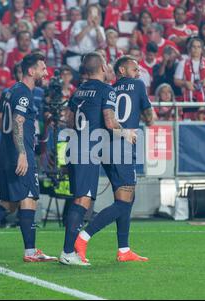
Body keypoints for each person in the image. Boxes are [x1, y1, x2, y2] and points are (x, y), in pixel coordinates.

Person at [0, 53, 57, 263]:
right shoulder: (24, 94)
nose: (46, 72)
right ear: (31, 71)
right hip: (19, 154)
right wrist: (23, 153)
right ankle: (30, 251)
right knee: (29, 199)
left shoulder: (9, 92)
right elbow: (17, 122)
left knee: (9, 204)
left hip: (6, 153)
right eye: (42, 68)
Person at [70, 58, 155, 264]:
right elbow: (150, 117)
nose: (139, 71)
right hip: (122, 144)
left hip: (104, 146)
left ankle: (124, 249)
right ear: (123, 69)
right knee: (124, 201)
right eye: (135, 68)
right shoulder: (138, 84)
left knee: (127, 198)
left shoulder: (109, 88)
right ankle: (83, 237)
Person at [60, 52, 136, 266]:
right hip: (89, 149)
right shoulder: (106, 90)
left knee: (80, 199)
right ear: (103, 67)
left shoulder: (78, 91)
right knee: (82, 200)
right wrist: (126, 133)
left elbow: (69, 121)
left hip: (76, 146)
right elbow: (110, 123)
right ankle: (68, 251)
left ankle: (70, 250)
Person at [174, 37, 205, 103]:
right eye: (193, 47)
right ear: (189, 49)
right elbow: (176, 81)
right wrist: (185, 83)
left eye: (198, 47)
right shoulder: (182, 63)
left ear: (202, 50)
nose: (196, 49)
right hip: (188, 98)